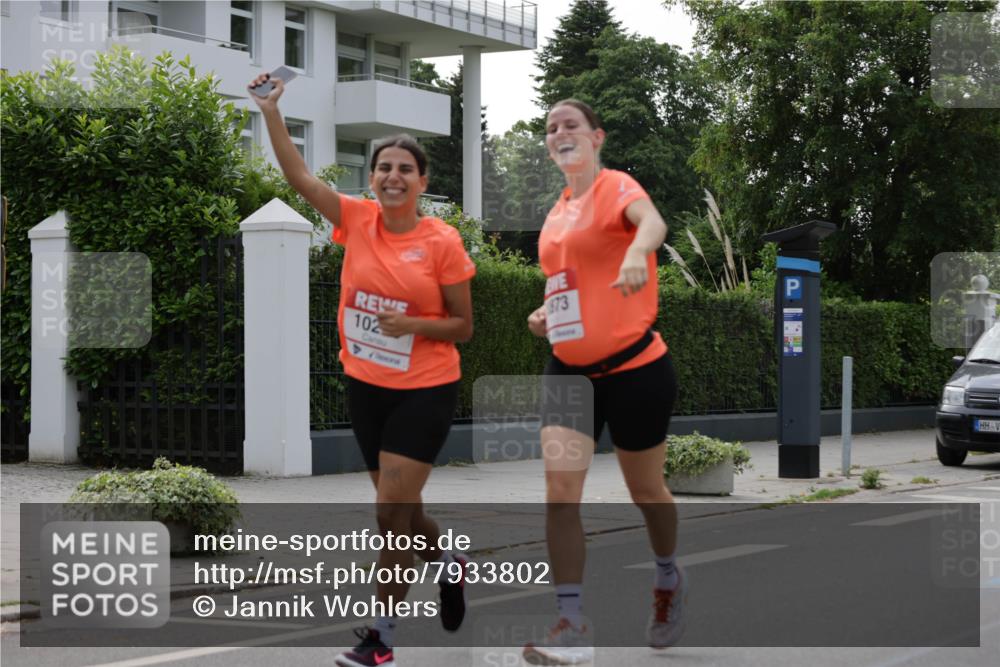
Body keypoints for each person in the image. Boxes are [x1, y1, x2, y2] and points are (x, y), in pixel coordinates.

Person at [249, 72, 476, 667]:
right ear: (371, 178)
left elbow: (463, 326)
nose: (394, 177)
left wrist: (415, 326)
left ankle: (380, 637)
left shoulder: (442, 242)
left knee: (387, 515)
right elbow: (298, 177)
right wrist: (271, 109)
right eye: (384, 168)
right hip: (365, 386)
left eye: (406, 169)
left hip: (425, 389)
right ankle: (449, 561)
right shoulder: (355, 219)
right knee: (402, 512)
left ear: (422, 181)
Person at [522, 99, 684, 665]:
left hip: (637, 369)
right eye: (551, 129)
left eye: (571, 126)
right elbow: (563, 285)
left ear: (596, 137)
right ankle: (571, 623)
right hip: (569, 370)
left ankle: (667, 578)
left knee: (647, 492)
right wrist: (546, 315)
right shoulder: (556, 214)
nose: (560, 133)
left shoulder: (616, 187)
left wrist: (640, 249)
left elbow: (654, 224)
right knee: (560, 494)